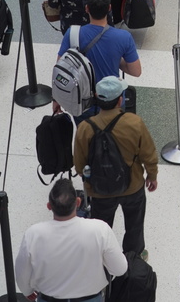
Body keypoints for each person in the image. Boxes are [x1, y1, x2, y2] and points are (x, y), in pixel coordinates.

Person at [72, 77, 158, 258]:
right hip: (132, 186)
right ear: (120, 100)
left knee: (101, 229)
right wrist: (152, 176)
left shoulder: (85, 128)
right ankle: (134, 259)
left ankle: (102, 259)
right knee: (135, 225)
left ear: (97, 98)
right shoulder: (135, 123)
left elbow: (79, 166)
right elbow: (148, 155)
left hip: (99, 191)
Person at [15, 178, 127, 302]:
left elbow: (21, 273)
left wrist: (27, 291)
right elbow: (119, 269)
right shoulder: (100, 229)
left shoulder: (33, 234)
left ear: (49, 206)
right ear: (78, 202)